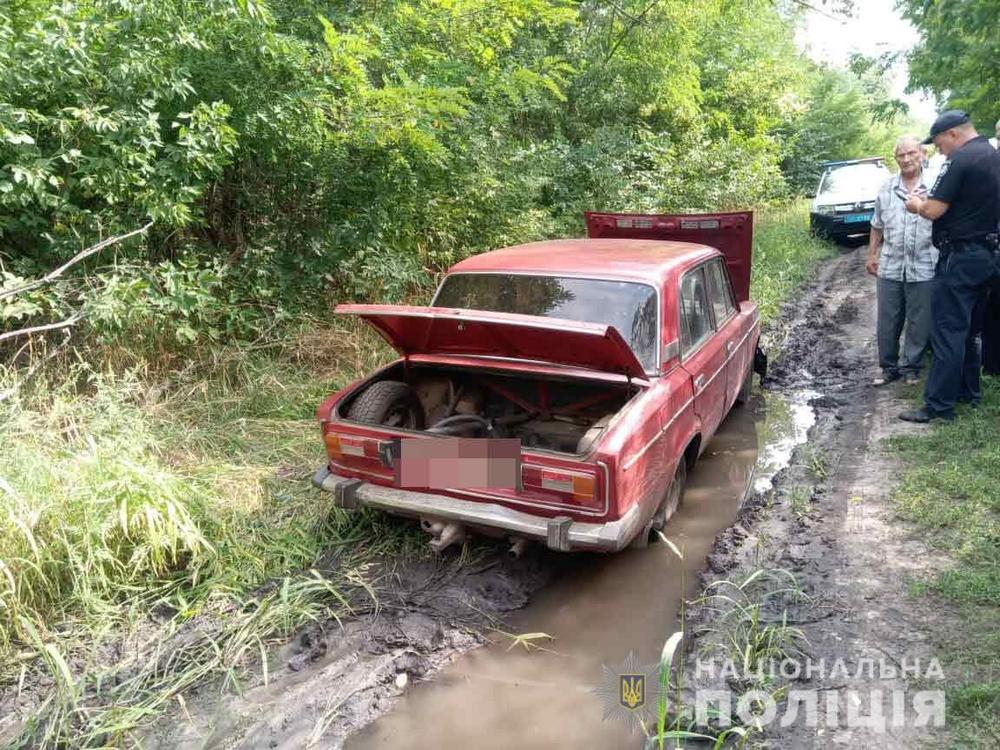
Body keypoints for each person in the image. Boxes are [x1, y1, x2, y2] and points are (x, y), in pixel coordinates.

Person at [899, 110, 1000, 423]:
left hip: (959, 259)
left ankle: (939, 406)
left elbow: (932, 210)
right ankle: (969, 393)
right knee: (969, 331)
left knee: (948, 332)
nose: (938, 149)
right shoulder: (992, 156)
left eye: (939, 143)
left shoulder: (961, 160)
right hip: (987, 255)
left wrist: (915, 204)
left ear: (953, 134)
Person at [866, 136, 938, 386]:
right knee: (888, 319)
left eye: (911, 153)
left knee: (920, 321)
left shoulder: (935, 185)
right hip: (891, 264)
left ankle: (912, 368)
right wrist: (873, 254)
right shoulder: (886, 187)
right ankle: (888, 368)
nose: (906, 159)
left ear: (922, 154)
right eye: (900, 155)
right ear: (895, 159)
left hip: (925, 263)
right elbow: (876, 225)